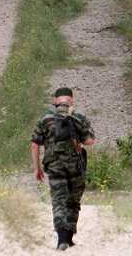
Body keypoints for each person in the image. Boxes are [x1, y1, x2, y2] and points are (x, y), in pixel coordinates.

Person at [30, 87, 95, 250]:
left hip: (54, 167)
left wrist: (37, 168)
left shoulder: (46, 119)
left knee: (59, 201)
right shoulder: (78, 117)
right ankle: (69, 236)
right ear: (71, 100)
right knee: (73, 201)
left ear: (55, 101)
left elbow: (34, 145)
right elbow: (90, 141)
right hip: (75, 166)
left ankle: (61, 239)